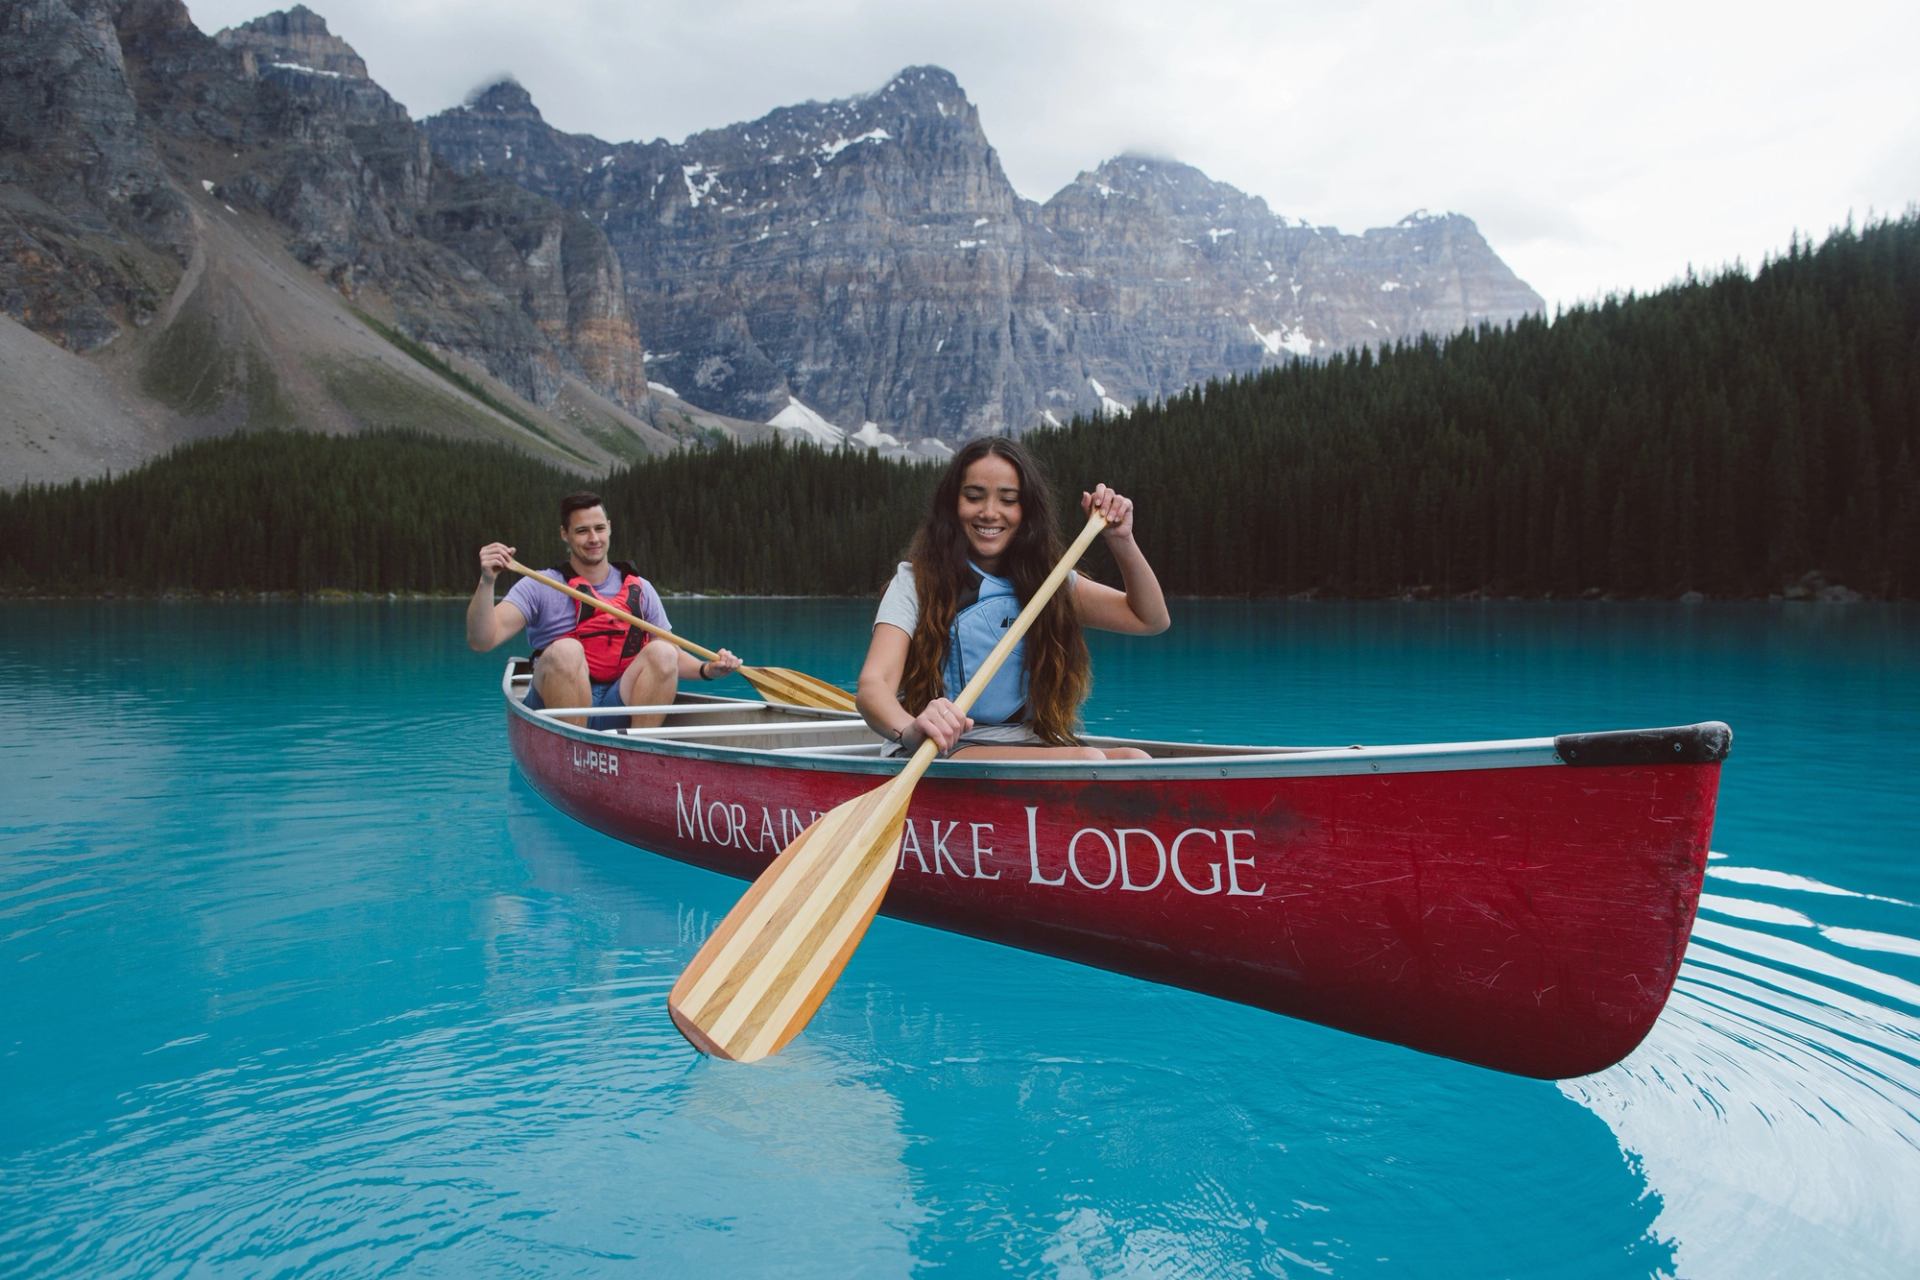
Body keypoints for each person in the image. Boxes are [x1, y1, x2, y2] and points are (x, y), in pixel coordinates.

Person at [856, 437, 1170, 761]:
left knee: (1135, 759)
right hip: (937, 749)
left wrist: (1121, 539)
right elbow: (873, 686)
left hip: (1028, 744)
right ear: (953, 505)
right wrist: (910, 729)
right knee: (1087, 760)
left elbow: (1150, 619)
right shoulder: (914, 582)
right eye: (974, 497)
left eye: (1008, 500)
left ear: (1026, 510)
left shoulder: (1049, 583)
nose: (990, 513)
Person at [468, 491, 740, 729]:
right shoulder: (539, 585)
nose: (593, 538)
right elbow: (482, 640)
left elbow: (672, 657)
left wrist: (708, 668)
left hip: (618, 701)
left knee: (662, 650)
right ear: (564, 534)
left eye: (599, 528)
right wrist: (487, 581)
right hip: (554, 706)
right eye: (582, 530)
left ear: (609, 528)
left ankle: (640, 747)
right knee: (566, 649)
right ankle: (572, 745)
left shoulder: (641, 589)